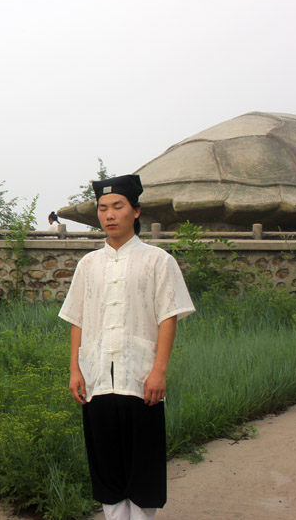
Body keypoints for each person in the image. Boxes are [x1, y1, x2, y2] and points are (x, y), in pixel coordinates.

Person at [58, 174, 195, 520]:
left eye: (117, 206)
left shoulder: (157, 260)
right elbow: (77, 319)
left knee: (143, 465)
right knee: (106, 465)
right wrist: (75, 369)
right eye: (103, 208)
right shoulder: (89, 265)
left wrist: (159, 371)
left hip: (140, 377)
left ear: (136, 211)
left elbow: (168, 316)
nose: (109, 214)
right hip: (97, 377)